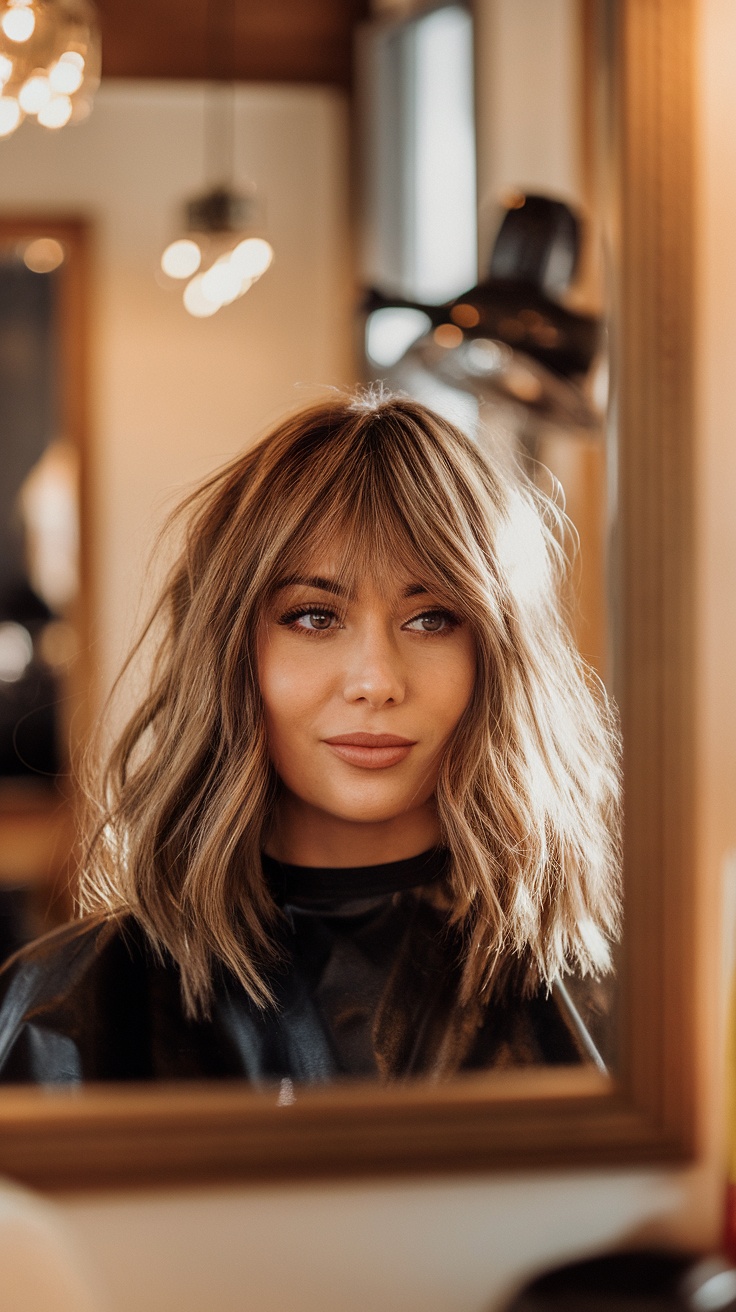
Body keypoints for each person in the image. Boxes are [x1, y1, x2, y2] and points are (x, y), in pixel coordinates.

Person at [0, 393, 621, 1084]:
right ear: (231, 652)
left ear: (500, 656)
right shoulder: (67, 1010)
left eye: (432, 619)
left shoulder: (643, 1004)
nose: (377, 681)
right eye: (315, 617)